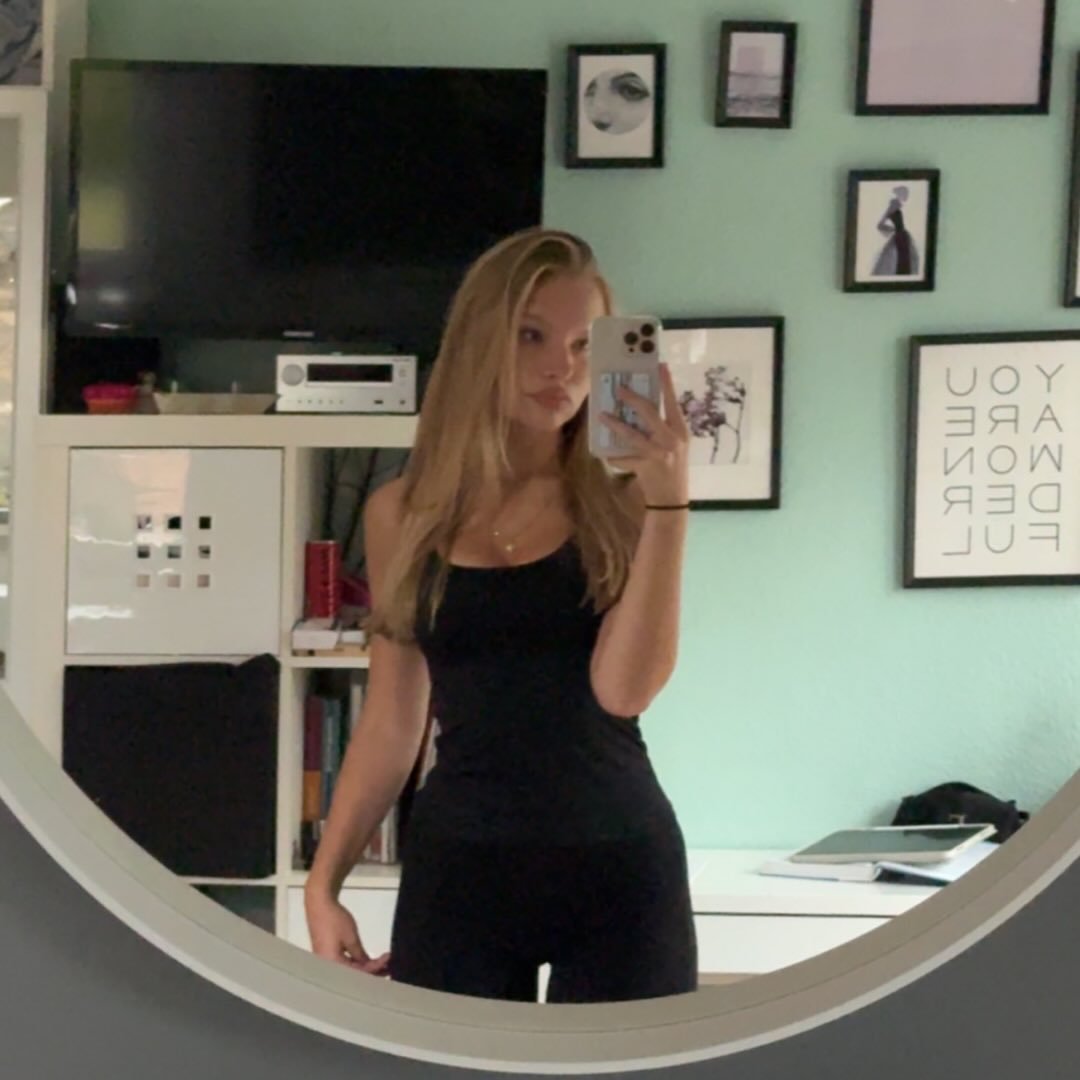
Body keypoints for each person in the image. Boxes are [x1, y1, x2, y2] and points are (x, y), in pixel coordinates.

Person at [304, 227, 697, 1004]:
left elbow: (625, 693)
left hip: (619, 868)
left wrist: (671, 507)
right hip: (460, 873)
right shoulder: (402, 514)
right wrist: (324, 883)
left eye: (584, 345)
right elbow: (392, 719)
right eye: (531, 335)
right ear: (479, 342)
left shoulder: (626, 504)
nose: (562, 368)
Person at [872, 185, 919, 277]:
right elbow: (880, 225)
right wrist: (893, 229)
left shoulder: (897, 206)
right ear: (899, 194)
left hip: (903, 236)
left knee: (905, 259)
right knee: (900, 259)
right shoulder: (893, 205)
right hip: (900, 236)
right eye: (905, 194)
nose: (906, 196)